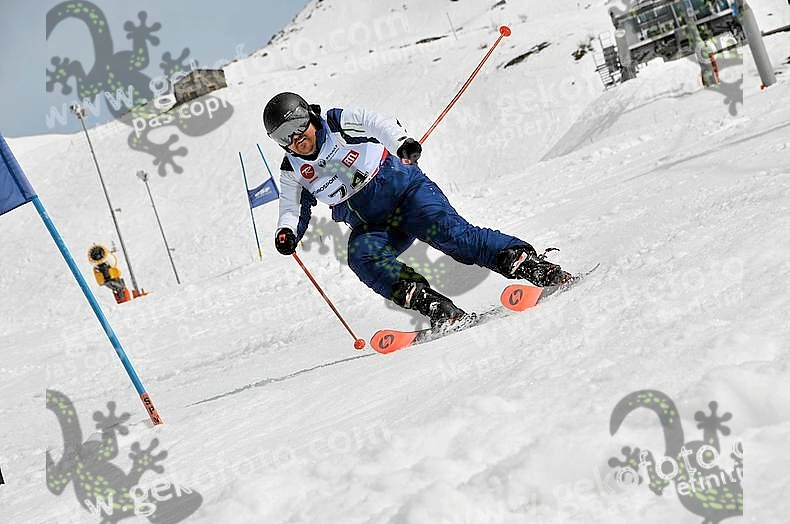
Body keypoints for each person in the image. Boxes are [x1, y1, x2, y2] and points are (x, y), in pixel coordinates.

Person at [264, 92, 571, 328]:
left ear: (309, 114)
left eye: (298, 125)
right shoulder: (292, 169)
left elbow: (376, 123)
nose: (296, 138)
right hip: (373, 225)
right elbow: (291, 207)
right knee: (362, 256)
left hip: (408, 195)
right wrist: (286, 232)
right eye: (283, 136)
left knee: (454, 236)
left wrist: (402, 143)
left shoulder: (335, 123)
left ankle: (526, 263)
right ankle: (432, 304)